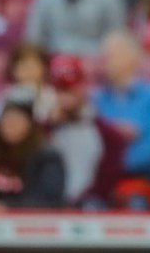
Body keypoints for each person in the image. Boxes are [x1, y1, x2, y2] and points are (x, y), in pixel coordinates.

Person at [93, 32, 150, 184]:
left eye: (111, 56)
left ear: (131, 60)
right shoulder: (96, 99)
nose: (104, 62)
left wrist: (115, 164)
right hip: (101, 181)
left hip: (145, 181)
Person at [0, 84, 65, 208]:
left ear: (30, 124)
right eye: (7, 119)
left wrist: (6, 207)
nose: (11, 125)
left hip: (32, 223)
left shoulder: (47, 156)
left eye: (18, 119)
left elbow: (50, 199)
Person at [47, 54, 124, 209]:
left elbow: (107, 177)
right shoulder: (46, 128)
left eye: (71, 90)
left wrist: (87, 194)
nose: (66, 97)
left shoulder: (104, 132)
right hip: (52, 199)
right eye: (61, 90)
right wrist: (48, 125)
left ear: (82, 88)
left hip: (88, 200)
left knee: (92, 206)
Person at [0, 43, 56, 123]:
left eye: (33, 65)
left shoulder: (52, 95)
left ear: (44, 68)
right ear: (13, 69)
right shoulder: (4, 95)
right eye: (24, 66)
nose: (29, 71)